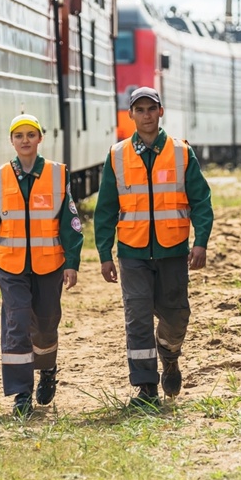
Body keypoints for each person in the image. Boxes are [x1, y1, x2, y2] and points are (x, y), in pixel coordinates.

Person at [94, 86, 214, 408]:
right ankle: (146, 388)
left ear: (161, 112)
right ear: (131, 114)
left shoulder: (181, 152)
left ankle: (170, 355)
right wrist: (105, 254)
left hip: (172, 251)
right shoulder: (117, 156)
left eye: (151, 109)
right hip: (132, 252)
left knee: (177, 316)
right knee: (137, 319)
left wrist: (200, 242)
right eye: (140, 109)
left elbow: (201, 201)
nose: (146, 115)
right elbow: (105, 209)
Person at [0, 113, 83, 418]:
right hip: (10, 265)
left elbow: (70, 222)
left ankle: (47, 370)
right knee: (17, 322)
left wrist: (72, 262)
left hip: (49, 264)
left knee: (46, 324)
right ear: (11, 141)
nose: (25, 140)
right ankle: (21, 393)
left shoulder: (57, 174)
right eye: (19, 135)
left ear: (40, 138)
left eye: (30, 134)